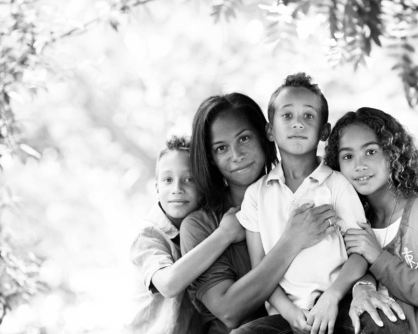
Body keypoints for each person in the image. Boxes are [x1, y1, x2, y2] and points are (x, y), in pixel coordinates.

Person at [180, 93, 338, 334]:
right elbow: (229, 311)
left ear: (266, 135)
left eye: (244, 138)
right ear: (211, 159)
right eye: (221, 148)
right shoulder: (200, 225)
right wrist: (291, 241)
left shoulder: (308, 193)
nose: (237, 155)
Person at [235, 73, 368, 334]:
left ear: (324, 131)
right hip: (286, 315)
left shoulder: (337, 184)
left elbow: (361, 255)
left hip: (336, 305)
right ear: (270, 131)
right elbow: (260, 268)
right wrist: (289, 312)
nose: (298, 124)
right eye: (287, 116)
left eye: (308, 116)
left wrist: (332, 297)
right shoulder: (256, 195)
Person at [324, 107, 418, 334]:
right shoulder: (353, 221)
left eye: (371, 152)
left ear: (392, 153)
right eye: (348, 156)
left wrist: (379, 258)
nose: (359, 165)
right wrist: (361, 287)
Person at [129, 136, 245, 334]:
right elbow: (168, 284)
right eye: (167, 180)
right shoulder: (148, 235)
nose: (177, 189)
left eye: (189, 179)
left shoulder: (200, 228)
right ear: (157, 187)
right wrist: (225, 234)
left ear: (203, 187)